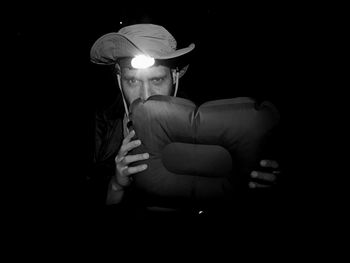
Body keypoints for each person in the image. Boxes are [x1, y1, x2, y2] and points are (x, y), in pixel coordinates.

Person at [89, 23, 281, 217]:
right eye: (132, 81)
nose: (145, 96)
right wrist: (116, 185)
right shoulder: (100, 127)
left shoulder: (205, 124)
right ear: (119, 78)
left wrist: (260, 185)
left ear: (175, 76)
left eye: (157, 80)